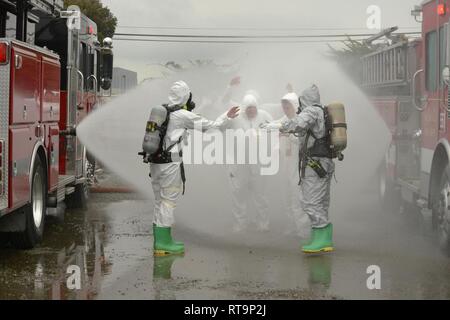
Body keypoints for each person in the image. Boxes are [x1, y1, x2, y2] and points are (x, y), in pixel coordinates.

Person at [150, 81, 240, 256]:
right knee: (168, 201)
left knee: (159, 201)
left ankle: (159, 239)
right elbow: (212, 126)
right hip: (170, 164)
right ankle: (163, 242)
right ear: (185, 96)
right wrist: (226, 116)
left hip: (155, 163)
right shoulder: (182, 115)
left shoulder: (162, 111)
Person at [262, 84, 335, 254]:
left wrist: (276, 127)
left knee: (310, 201)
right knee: (322, 202)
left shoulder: (311, 112)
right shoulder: (322, 111)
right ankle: (323, 237)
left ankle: (321, 238)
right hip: (323, 163)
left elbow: (297, 124)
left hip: (315, 164)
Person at [227, 93, 273, 233]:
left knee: (260, 193)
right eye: (249, 109)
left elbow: (275, 129)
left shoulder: (264, 115)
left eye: (254, 108)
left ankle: (263, 223)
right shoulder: (236, 117)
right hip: (239, 162)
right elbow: (221, 126)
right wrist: (227, 117)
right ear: (244, 108)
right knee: (239, 193)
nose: (252, 111)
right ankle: (240, 223)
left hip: (258, 161)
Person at [271, 92, 310, 237]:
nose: (285, 109)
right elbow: (277, 141)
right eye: (283, 106)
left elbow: (302, 142)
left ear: (294, 106)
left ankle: (303, 230)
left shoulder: (301, 121)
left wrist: (290, 135)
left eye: (288, 106)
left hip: (297, 166)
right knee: (285, 197)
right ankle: (291, 226)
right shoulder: (282, 121)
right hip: (284, 165)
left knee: (297, 198)